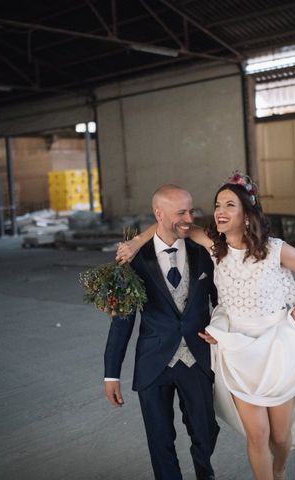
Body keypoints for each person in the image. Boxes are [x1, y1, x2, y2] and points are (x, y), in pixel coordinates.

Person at [118, 173, 295, 480]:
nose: (219, 210)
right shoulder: (214, 247)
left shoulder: (274, 249)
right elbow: (173, 224)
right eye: (217, 204)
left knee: (279, 437)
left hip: (276, 349)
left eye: (229, 205)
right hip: (239, 352)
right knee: (257, 435)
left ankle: (280, 467)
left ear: (246, 214)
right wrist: (138, 240)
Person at [104, 184, 220, 480]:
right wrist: (111, 373)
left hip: (197, 358)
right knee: (160, 441)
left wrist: (223, 330)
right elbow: (122, 320)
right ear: (159, 213)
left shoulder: (203, 251)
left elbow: (222, 301)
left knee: (205, 433)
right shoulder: (135, 259)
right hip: (153, 362)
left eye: (191, 210)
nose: (188, 218)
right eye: (180, 212)